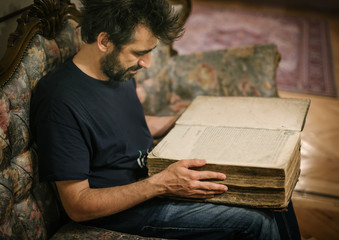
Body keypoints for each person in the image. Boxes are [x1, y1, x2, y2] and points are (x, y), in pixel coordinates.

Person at [30, 0, 297, 239]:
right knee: (257, 222)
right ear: (104, 41)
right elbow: (78, 205)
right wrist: (160, 184)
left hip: (156, 179)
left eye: (150, 52)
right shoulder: (59, 101)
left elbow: (123, 126)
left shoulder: (117, 70)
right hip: (129, 209)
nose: (146, 63)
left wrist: (185, 119)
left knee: (272, 187)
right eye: (139, 53)